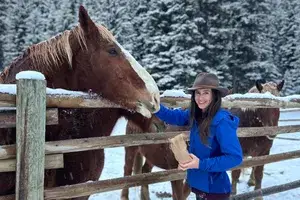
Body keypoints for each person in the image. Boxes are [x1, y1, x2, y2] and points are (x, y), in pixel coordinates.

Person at [155, 72, 243, 200]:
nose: (200, 98)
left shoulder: (222, 121)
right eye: (198, 93)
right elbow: (173, 116)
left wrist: (199, 164)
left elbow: (235, 158)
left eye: (206, 92)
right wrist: (155, 106)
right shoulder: (196, 114)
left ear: (215, 95)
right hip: (199, 188)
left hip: (215, 191)